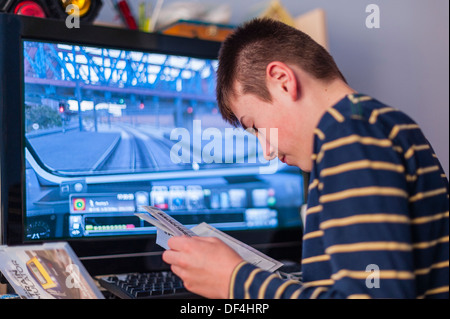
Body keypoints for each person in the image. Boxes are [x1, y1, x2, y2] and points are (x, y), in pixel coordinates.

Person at [162, 18, 449, 299]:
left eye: (256, 127)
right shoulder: (371, 125)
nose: (267, 150)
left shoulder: (349, 135)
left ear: (282, 81)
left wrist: (236, 281)